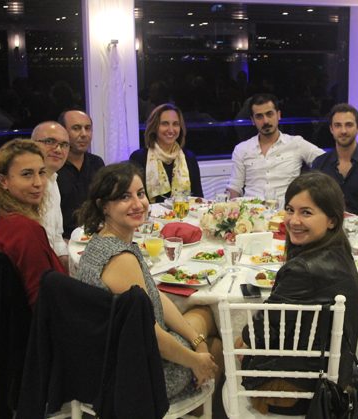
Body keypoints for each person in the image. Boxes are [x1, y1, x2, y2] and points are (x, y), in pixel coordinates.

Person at [74, 163, 220, 402]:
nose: (138, 204)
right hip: (135, 374)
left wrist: (197, 342)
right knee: (212, 334)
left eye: (140, 194)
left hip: (120, 355)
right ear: (103, 206)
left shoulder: (107, 241)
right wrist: (196, 359)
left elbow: (154, 294)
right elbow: (150, 336)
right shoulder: (120, 258)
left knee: (203, 331)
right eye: (124, 197)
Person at [237, 171, 358, 415]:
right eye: (290, 210)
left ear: (332, 220)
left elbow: (258, 332)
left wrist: (246, 340)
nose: (293, 220)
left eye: (306, 212)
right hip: (332, 375)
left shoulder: (302, 270)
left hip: (299, 390)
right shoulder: (340, 251)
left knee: (229, 342)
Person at [0, 139, 66, 306]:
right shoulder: (25, 229)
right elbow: (42, 298)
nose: (38, 183)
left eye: (42, 172)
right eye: (27, 174)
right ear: (3, 181)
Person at [226, 93, 324, 202]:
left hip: (286, 209)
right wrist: (228, 208)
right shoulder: (242, 149)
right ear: (253, 120)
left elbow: (326, 161)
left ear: (278, 115)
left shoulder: (296, 143)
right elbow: (235, 186)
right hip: (251, 209)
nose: (265, 121)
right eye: (259, 116)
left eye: (269, 114)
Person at [311, 103, 358, 216]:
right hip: (327, 223)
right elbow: (313, 201)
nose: (343, 131)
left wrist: (351, 223)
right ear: (331, 129)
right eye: (338, 125)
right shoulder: (319, 163)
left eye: (349, 125)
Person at [129, 103, 203, 201]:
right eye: (165, 124)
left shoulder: (189, 157)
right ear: (154, 127)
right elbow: (134, 199)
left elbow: (199, 199)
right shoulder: (138, 158)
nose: (171, 130)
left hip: (184, 210)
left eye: (175, 124)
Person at [56, 110, 105, 239]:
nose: (84, 134)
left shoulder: (96, 162)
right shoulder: (54, 167)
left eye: (87, 128)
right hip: (64, 239)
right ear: (63, 132)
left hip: (97, 234)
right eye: (76, 128)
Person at [31, 121, 70, 269]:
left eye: (64, 144)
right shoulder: (27, 189)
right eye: (50, 142)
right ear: (32, 145)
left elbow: (56, 237)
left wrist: (66, 262)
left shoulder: (53, 180)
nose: (58, 149)